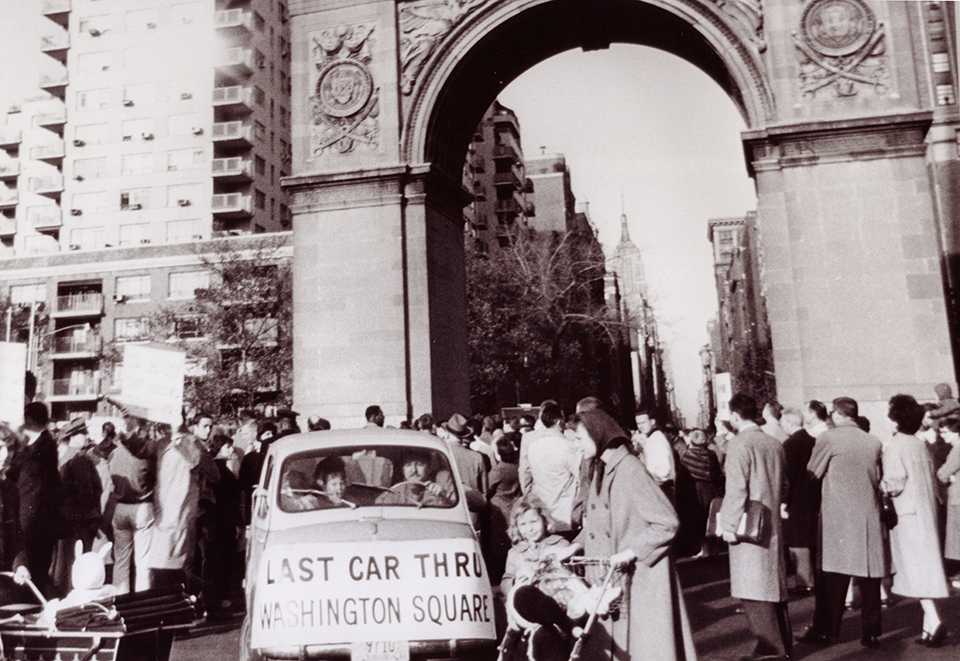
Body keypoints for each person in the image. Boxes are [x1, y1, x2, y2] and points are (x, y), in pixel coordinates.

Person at [572, 408, 697, 661]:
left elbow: (667, 522)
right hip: (616, 579)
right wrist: (574, 546)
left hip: (640, 581)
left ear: (598, 436)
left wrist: (631, 552)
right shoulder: (602, 468)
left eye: (579, 439)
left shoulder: (630, 469)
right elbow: (598, 523)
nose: (577, 446)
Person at [799, 397, 885, 649]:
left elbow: (812, 472)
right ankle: (871, 632)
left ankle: (826, 630)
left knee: (832, 578)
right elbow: (878, 477)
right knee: (869, 577)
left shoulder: (828, 438)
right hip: (867, 515)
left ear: (837, 414)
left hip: (838, 516)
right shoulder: (874, 441)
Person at [500, 495, 620, 661]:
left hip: (558, 607)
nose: (530, 529)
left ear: (544, 520)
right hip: (529, 611)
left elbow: (572, 576)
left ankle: (581, 610)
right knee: (524, 594)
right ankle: (570, 627)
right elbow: (506, 581)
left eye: (534, 522)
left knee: (549, 632)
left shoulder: (560, 545)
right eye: (523, 524)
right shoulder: (515, 553)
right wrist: (514, 582)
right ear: (517, 528)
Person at [719, 393, 791, 661]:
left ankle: (770, 650)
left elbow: (736, 488)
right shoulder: (774, 443)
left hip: (748, 525)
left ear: (735, 416)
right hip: (771, 523)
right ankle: (781, 646)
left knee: (752, 589)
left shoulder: (738, 444)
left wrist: (727, 524)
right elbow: (784, 484)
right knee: (773, 587)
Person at [883, 394, 949, 646]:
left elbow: (895, 482)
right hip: (925, 510)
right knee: (925, 566)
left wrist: (879, 484)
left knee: (915, 569)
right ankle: (928, 627)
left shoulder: (896, 445)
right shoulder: (918, 443)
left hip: (907, 514)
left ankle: (934, 619)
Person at [149, 415, 219, 589]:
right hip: (184, 515)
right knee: (185, 566)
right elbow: (214, 475)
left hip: (163, 516)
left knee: (165, 568)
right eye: (205, 426)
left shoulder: (161, 444)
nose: (208, 430)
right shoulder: (192, 444)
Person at [9, 402, 64, 598]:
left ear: (29, 420)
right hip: (35, 522)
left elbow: (16, 468)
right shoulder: (37, 446)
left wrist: (16, 437)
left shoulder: (44, 446)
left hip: (34, 525)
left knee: (33, 575)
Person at [109, 413, 156, 594]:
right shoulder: (145, 455)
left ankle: (119, 601)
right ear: (139, 429)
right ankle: (143, 604)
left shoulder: (114, 453)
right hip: (142, 506)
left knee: (121, 560)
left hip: (120, 507)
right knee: (143, 562)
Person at [520, 404, 580, 535]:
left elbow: (526, 475)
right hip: (565, 512)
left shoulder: (533, 446)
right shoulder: (569, 446)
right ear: (559, 422)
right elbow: (580, 477)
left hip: (543, 512)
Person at [780, 407, 820, 595]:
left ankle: (804, 581)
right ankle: (812, 578)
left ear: (790, 422)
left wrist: (783, 501)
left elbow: (788, 477)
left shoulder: (790, 445)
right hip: (813, 498)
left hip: (795, 499)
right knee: (810, 542)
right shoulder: (814, 441)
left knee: (797, 542)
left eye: (783, 422)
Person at [679, 429, 723, 558]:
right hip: (712, 489)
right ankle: (714, 549)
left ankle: (705, 550)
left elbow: (684, 473)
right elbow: (717, 472)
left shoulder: (689, 455)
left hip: (697, 490)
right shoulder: (712, 454)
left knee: (700, 519)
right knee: (711, 518)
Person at [487, 433, 522, 583]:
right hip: (514, 505)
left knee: (498, 543)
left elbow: (488, 487)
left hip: (499, 508)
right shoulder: (517, 467)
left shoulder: (498, 470)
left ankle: (500, 575)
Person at [375, 449, 454, 507]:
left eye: (419, 464)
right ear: (403, 470)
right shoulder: (394, 494)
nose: (414, 470)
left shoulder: (438, 489)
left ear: (429, 468)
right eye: (408, 465)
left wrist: (443, 496)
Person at [633, 411, 677, 502]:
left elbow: (664, 471)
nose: (640, 426)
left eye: (643, 422)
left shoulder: (657, 439)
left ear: (652, 422)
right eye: (638, 423)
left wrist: (648, 479)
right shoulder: (651, 438)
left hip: (662, 489)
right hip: (658, 488)